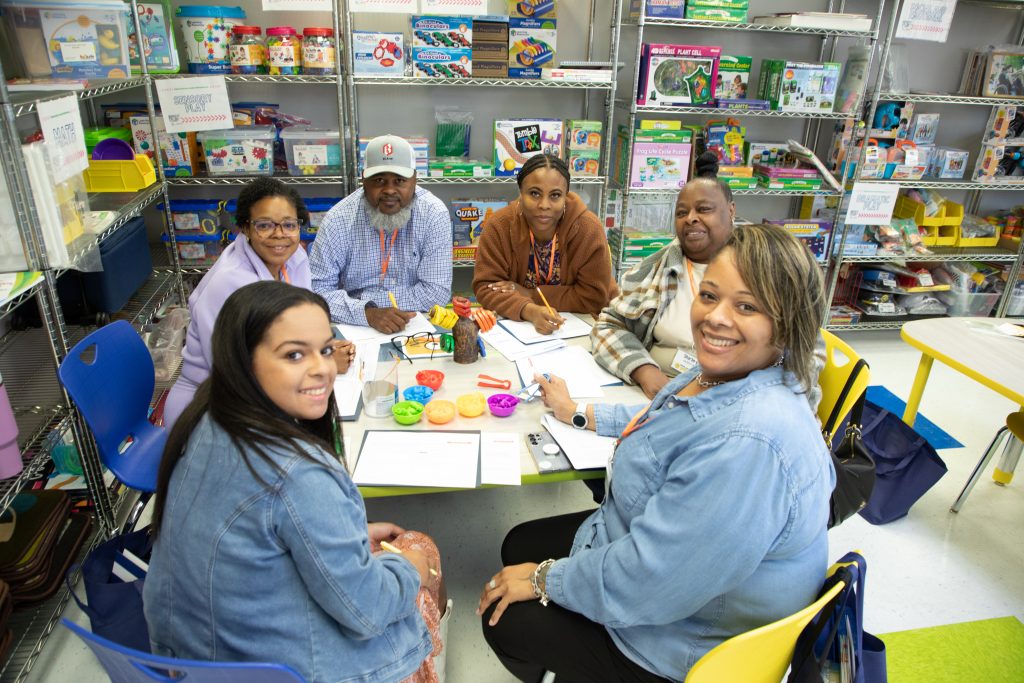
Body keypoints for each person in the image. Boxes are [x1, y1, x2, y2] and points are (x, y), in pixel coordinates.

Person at [477, 223, 834, 683]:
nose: (716, 318)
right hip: (663, 563)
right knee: (518, 546)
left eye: (746, 306)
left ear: (786, 320)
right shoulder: (735, 373)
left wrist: (547, 579)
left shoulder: (748, 445)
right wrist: (578, 412)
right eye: (709, 296)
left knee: (507, 619)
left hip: (683, 640)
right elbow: (666, 420)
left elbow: (651, 581)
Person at [146, 281, 446, 683]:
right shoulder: (301, 474)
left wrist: (342, 531)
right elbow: (367, 610)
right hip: (279, 671)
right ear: (244, 361)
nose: (322, 368)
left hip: (198, 660)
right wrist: (410, 569)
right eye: (293, 354)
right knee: (420, 550)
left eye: (325, 349)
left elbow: (259, 528)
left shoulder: (206, 415)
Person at [163, 177, 353, 429]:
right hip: (211, 407)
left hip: (269, 389)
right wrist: (318, 362)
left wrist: (317, 350)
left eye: (289, 225)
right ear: (245, 228)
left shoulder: (295, 257)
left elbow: (298, 325)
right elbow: (232, 371)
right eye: (264, 225)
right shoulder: (230, 284)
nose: (279, 235)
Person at [591, 152, 735, 399]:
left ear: (731, 211)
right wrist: (642, 369)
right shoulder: (658, 266)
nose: (691, 219)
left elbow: (798, 356)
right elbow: (609, 324)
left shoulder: (763, 270)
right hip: (657, 392)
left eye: (704, 210)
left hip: (729, 398)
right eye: (681, 213)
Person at [310, 135, 452, 334]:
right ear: (363, 180)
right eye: (379, 180)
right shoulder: (339, 219)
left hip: (416, 323)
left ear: (414, 179)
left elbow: (436, 293)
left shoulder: (433, 214)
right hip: (354, 327)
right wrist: (367, 313)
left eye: (399, 180)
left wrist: (364, 302)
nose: (389, 190)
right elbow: (316, 292)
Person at [473, 154, 618, 335]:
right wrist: (529, 310)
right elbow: (487, 287)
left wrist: (530, 294)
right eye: (534, 193)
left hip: (586, 324)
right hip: (523, 331)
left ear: (566, 196)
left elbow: (593, 298)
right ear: (520, 193)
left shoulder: (588, 229)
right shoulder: (499, 226)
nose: (544, 205)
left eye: (555, 195)